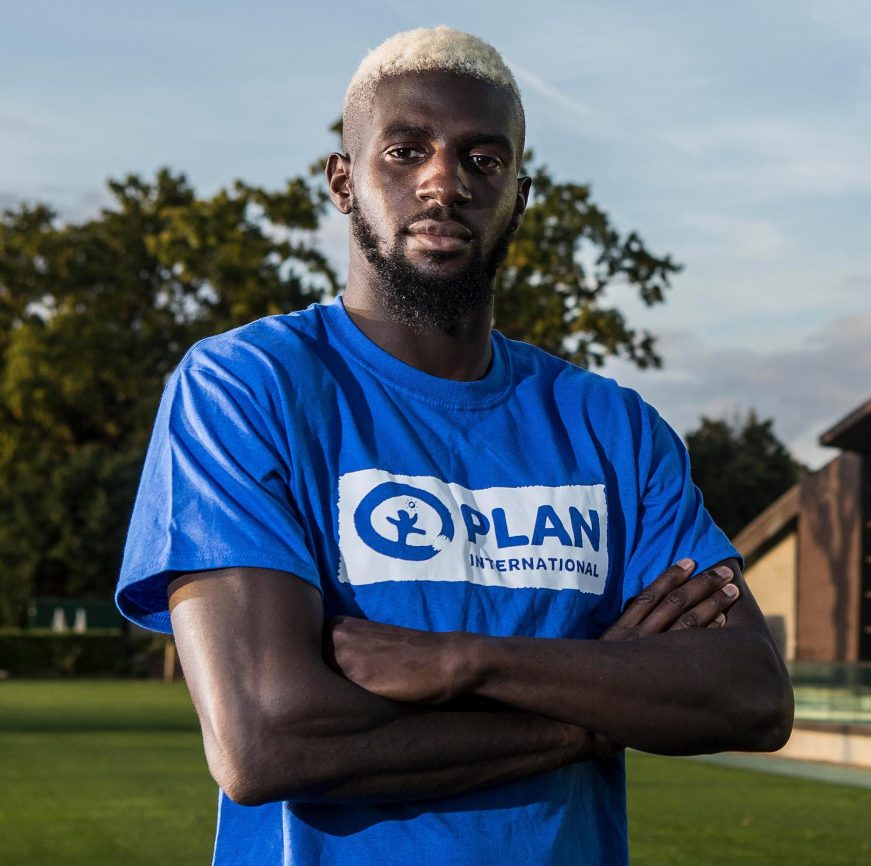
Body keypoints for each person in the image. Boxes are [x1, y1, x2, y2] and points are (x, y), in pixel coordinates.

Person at [116, 25, 793, 866]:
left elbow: (751, 693)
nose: (443, 181)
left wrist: (460, 662)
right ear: (342, 181)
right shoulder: (247, 388)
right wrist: (595, 703)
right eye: (404, 151)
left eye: (483, 159)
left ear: (520, 193)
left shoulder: (610, 427)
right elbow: (268, 741)